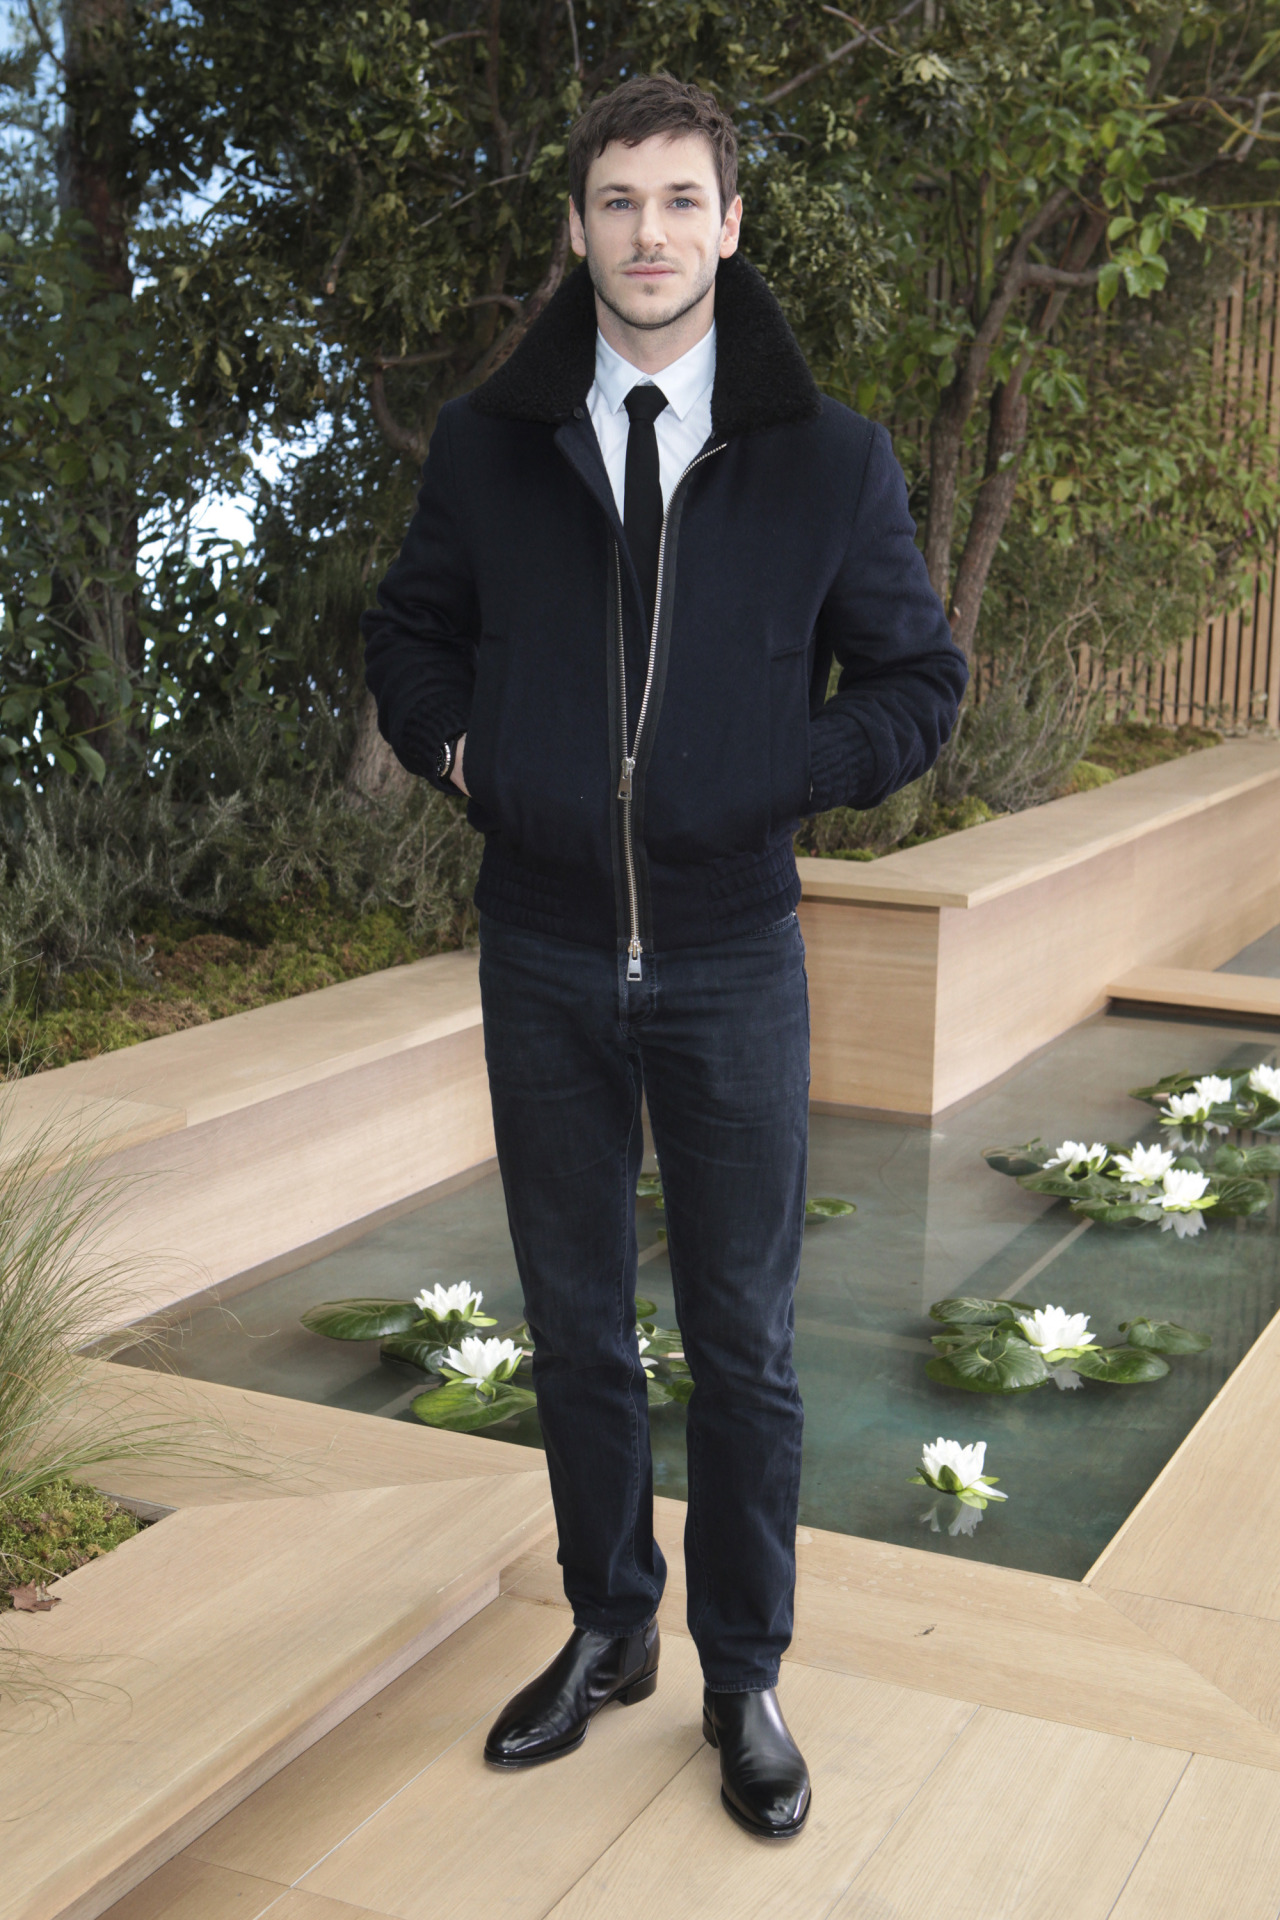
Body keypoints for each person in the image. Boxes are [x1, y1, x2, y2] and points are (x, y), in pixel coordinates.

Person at [363, 72, 967, 1839]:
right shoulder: (492, 443)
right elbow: (411, 635)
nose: (650, 233)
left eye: (681, 199)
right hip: (542, 948)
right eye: (618, 201)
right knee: (574, 1326)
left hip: (729, 955)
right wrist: (475, 760)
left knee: (744, 1340)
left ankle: (743, 1675)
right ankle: (609, 1628)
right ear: (577, 227)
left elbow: (918, 682)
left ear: (731, 223)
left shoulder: (829, 457)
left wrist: (780, 773)